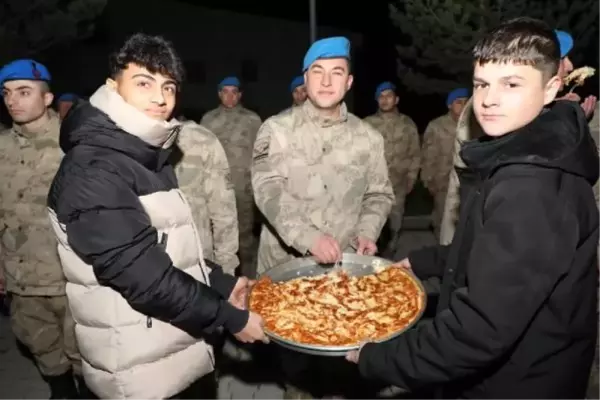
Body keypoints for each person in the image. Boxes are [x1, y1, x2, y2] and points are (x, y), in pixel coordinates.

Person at [348, 17, 600, 400]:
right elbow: (495, 253)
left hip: (519, 381)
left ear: (551, 88)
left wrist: (377, 357)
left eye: (512, 84)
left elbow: (478, 330)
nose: (489, 99)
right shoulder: (520, 149)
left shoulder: (532, 185)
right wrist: (427, 261)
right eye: (482, 84)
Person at [46, 33, 266, 400]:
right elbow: (146, 279)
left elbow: (165, 248)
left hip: (165, 349)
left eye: (169, 86)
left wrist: (225, 285)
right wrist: (232, 319)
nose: (160, 98)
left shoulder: (143, 153)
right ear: (112, 86)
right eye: (143, 82)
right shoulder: (94, 169)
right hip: (135, 367)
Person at [252, 36, 394, 399]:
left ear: (349, 82)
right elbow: (268, 193)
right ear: (305, 78)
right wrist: (307, 237)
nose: (326, 81)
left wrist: (366, 231)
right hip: (288, 272)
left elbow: (379, 193)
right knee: (296, 370)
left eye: (336, 73)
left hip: (344, 274)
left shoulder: (368, 137)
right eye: (318, 72)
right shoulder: (276, 131)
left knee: (342, 365)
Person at [439, 29, 598, 245]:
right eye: (563, 59)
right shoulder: (492, 111)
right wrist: (568, 117)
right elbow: (525, 153)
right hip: (490, 222)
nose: (570, 66)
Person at [0, 59, 81, 398]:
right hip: (21, 280)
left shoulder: (73, 146)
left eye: (23, 92)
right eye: (6, 93)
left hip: (70, 278)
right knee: (41, 348)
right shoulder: (1, 147)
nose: (12, 101)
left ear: (47, 99)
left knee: (85, 354)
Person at [201, 76, 262, 277]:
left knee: (245, 236)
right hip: (215, 189)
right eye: (225, 91)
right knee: (217, 235)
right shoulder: (208, 120)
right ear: (219, 94)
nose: (229, 96)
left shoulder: (252, 119)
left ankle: (248, 278)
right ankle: (222, 279)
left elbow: (260, 153)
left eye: (234, 91)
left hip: (243, 190)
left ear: (240, 94)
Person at [364, 81, 420, 257]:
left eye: (388, 96)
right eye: (381, 96)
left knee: (395, 222)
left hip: (398, 184)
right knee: (372, 222)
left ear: (396, 99)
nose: (385, 99)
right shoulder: (366, 124)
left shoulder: (407, 124)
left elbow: (415, 153)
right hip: (372, 185)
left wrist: (411, 178)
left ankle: (390, 253)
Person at [420, 88, 469, 238]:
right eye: (458, 102)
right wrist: (428, 181)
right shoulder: (436, 126)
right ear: (449, 105)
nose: (463, 105)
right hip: (443, 184)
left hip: (468, 183)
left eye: (466, 102)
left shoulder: (476, 124)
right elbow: (428, 156)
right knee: (443, 224)